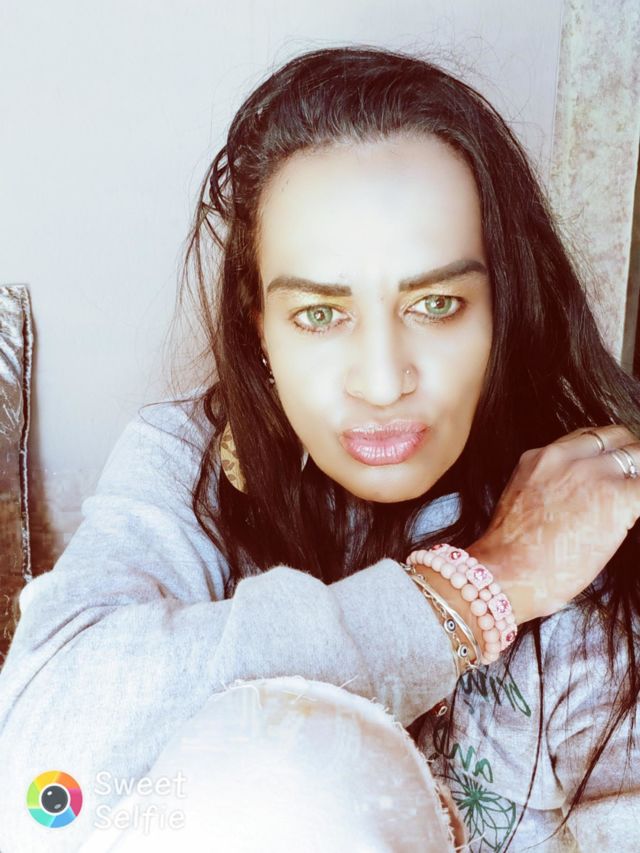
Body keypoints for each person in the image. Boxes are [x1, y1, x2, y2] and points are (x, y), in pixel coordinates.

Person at [1, 44, 640, 852]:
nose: (382, 381)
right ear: (260, 329)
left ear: (501, 308)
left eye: (438, 303)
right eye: (319, 314)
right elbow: (36, 782)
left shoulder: (586, 535)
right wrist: (482, 588)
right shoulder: (190, 457)